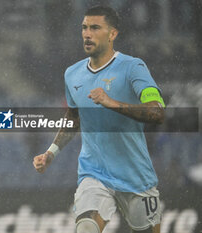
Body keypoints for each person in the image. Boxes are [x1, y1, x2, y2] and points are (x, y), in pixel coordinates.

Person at [33, 6, 165, 233]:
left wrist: (113, 103)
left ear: (113, 34)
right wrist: (51, 152)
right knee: (85, 227)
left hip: (135, 176)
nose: (87, 33)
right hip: (94, 174)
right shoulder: (72, 74)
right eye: (84, 28)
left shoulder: (133, 67)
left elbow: (157, 111)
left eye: (95, 28)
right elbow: (74, 117)